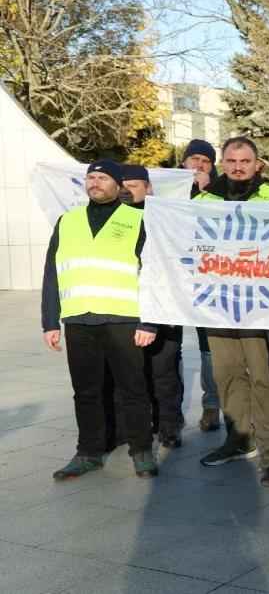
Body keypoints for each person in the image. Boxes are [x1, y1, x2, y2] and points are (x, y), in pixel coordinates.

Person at [41, 160, 159, 480]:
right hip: (79, 319)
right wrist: (50, 321)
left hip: (124, 319)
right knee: (86, 392)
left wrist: (149, 322)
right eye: (91, 177)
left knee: (133, 389)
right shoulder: (68, 221)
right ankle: (88, 452)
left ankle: (141, 450)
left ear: (118, 185)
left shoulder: (138, 220)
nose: (95, 182)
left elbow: (153, 274)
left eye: (102, 177)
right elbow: (52, 273)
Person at [194, 137, 269, 482]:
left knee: (263, 377)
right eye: (231, 161)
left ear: (257, 164)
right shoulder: (203, 200)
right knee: (227, 374)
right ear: (222, 164)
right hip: (218, 305)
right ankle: (238, 439)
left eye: (245, 161)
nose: (238, 167)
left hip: (261, 305)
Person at [120, 165, 185, 448]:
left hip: (163, 308)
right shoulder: (113, 218)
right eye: (122, 185)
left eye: (133, 185)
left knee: (164, 373)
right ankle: (133, 427)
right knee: (131, 373)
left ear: (148, 188)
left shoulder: (163, 219)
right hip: (125, 307)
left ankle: (169, 427)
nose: (126, 190)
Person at [181, 139, 222, 432]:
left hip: (210, 278)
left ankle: (212, 405)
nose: (199, 165)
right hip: (176, 277)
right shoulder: (169, 189)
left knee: (210, 346)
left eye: (206, 161)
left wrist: (209, 191)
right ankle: (168, 414)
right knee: (166, 347)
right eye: (194, 158)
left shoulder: (221, 190)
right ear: (183, 161)